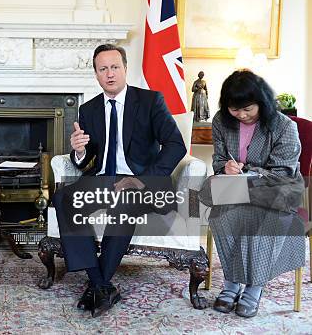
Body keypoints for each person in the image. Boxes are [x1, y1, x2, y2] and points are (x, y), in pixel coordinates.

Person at [53, 44, 186, 318]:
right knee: (64, 197)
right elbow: (86, 159)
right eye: (103, 69)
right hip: (103, 180)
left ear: (125, 69)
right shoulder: (88, 110)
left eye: (115, 67)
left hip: (140, 183)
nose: (110, 74)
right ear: (96, 74)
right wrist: (78, 151)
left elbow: (175, 145)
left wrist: (141, 179)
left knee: (124, 202)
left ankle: (96, 285)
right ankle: (101, 285)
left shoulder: (150, 101)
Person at [204, 69, 305, 318]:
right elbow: (218, 159)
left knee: (259, 218)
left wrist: (248, 172)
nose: (242, 115)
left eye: (248, 108)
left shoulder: (284, 126)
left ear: (262, 102)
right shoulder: (220, 121)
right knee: (220, 215)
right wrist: (225, 167)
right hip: (237, 186)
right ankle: (232, 283)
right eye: (235, 109)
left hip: (276, 190)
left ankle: (253, 288)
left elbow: (283, 170)